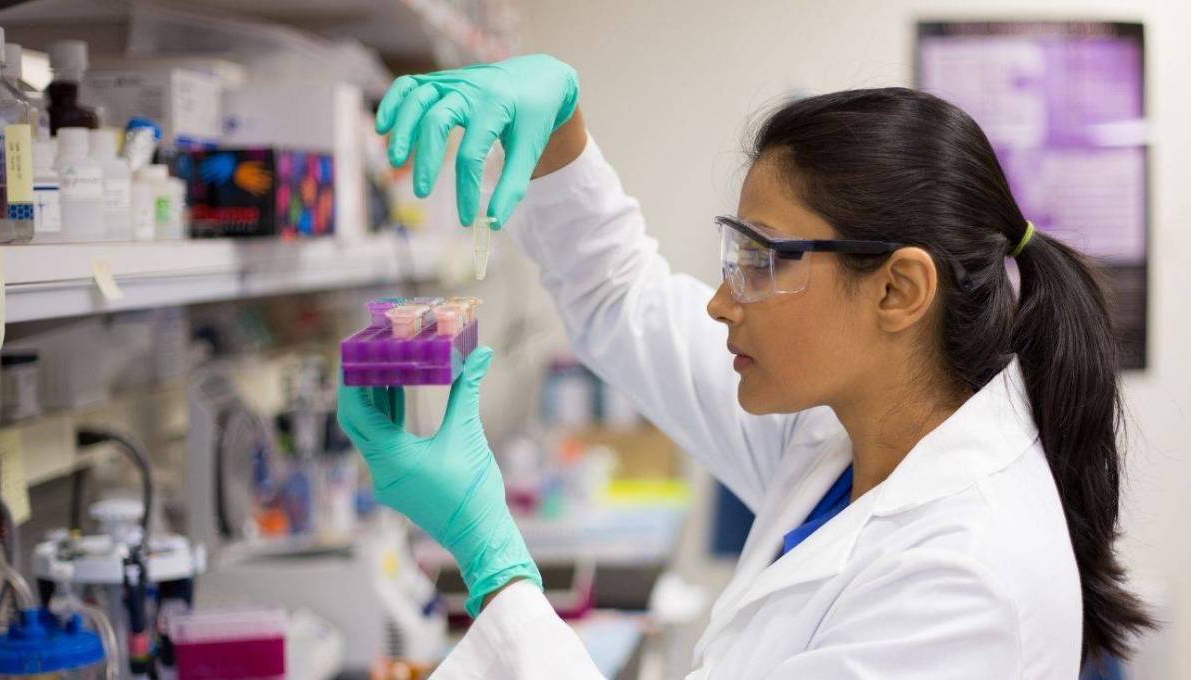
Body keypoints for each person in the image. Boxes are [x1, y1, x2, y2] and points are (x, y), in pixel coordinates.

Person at [337, 54, 1153, 678]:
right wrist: (560, 128)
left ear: (899, 289)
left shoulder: (966, 577)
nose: (724, 302)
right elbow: (620, 296)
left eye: (760, 261)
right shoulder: (847, 441)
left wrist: (493, 562)